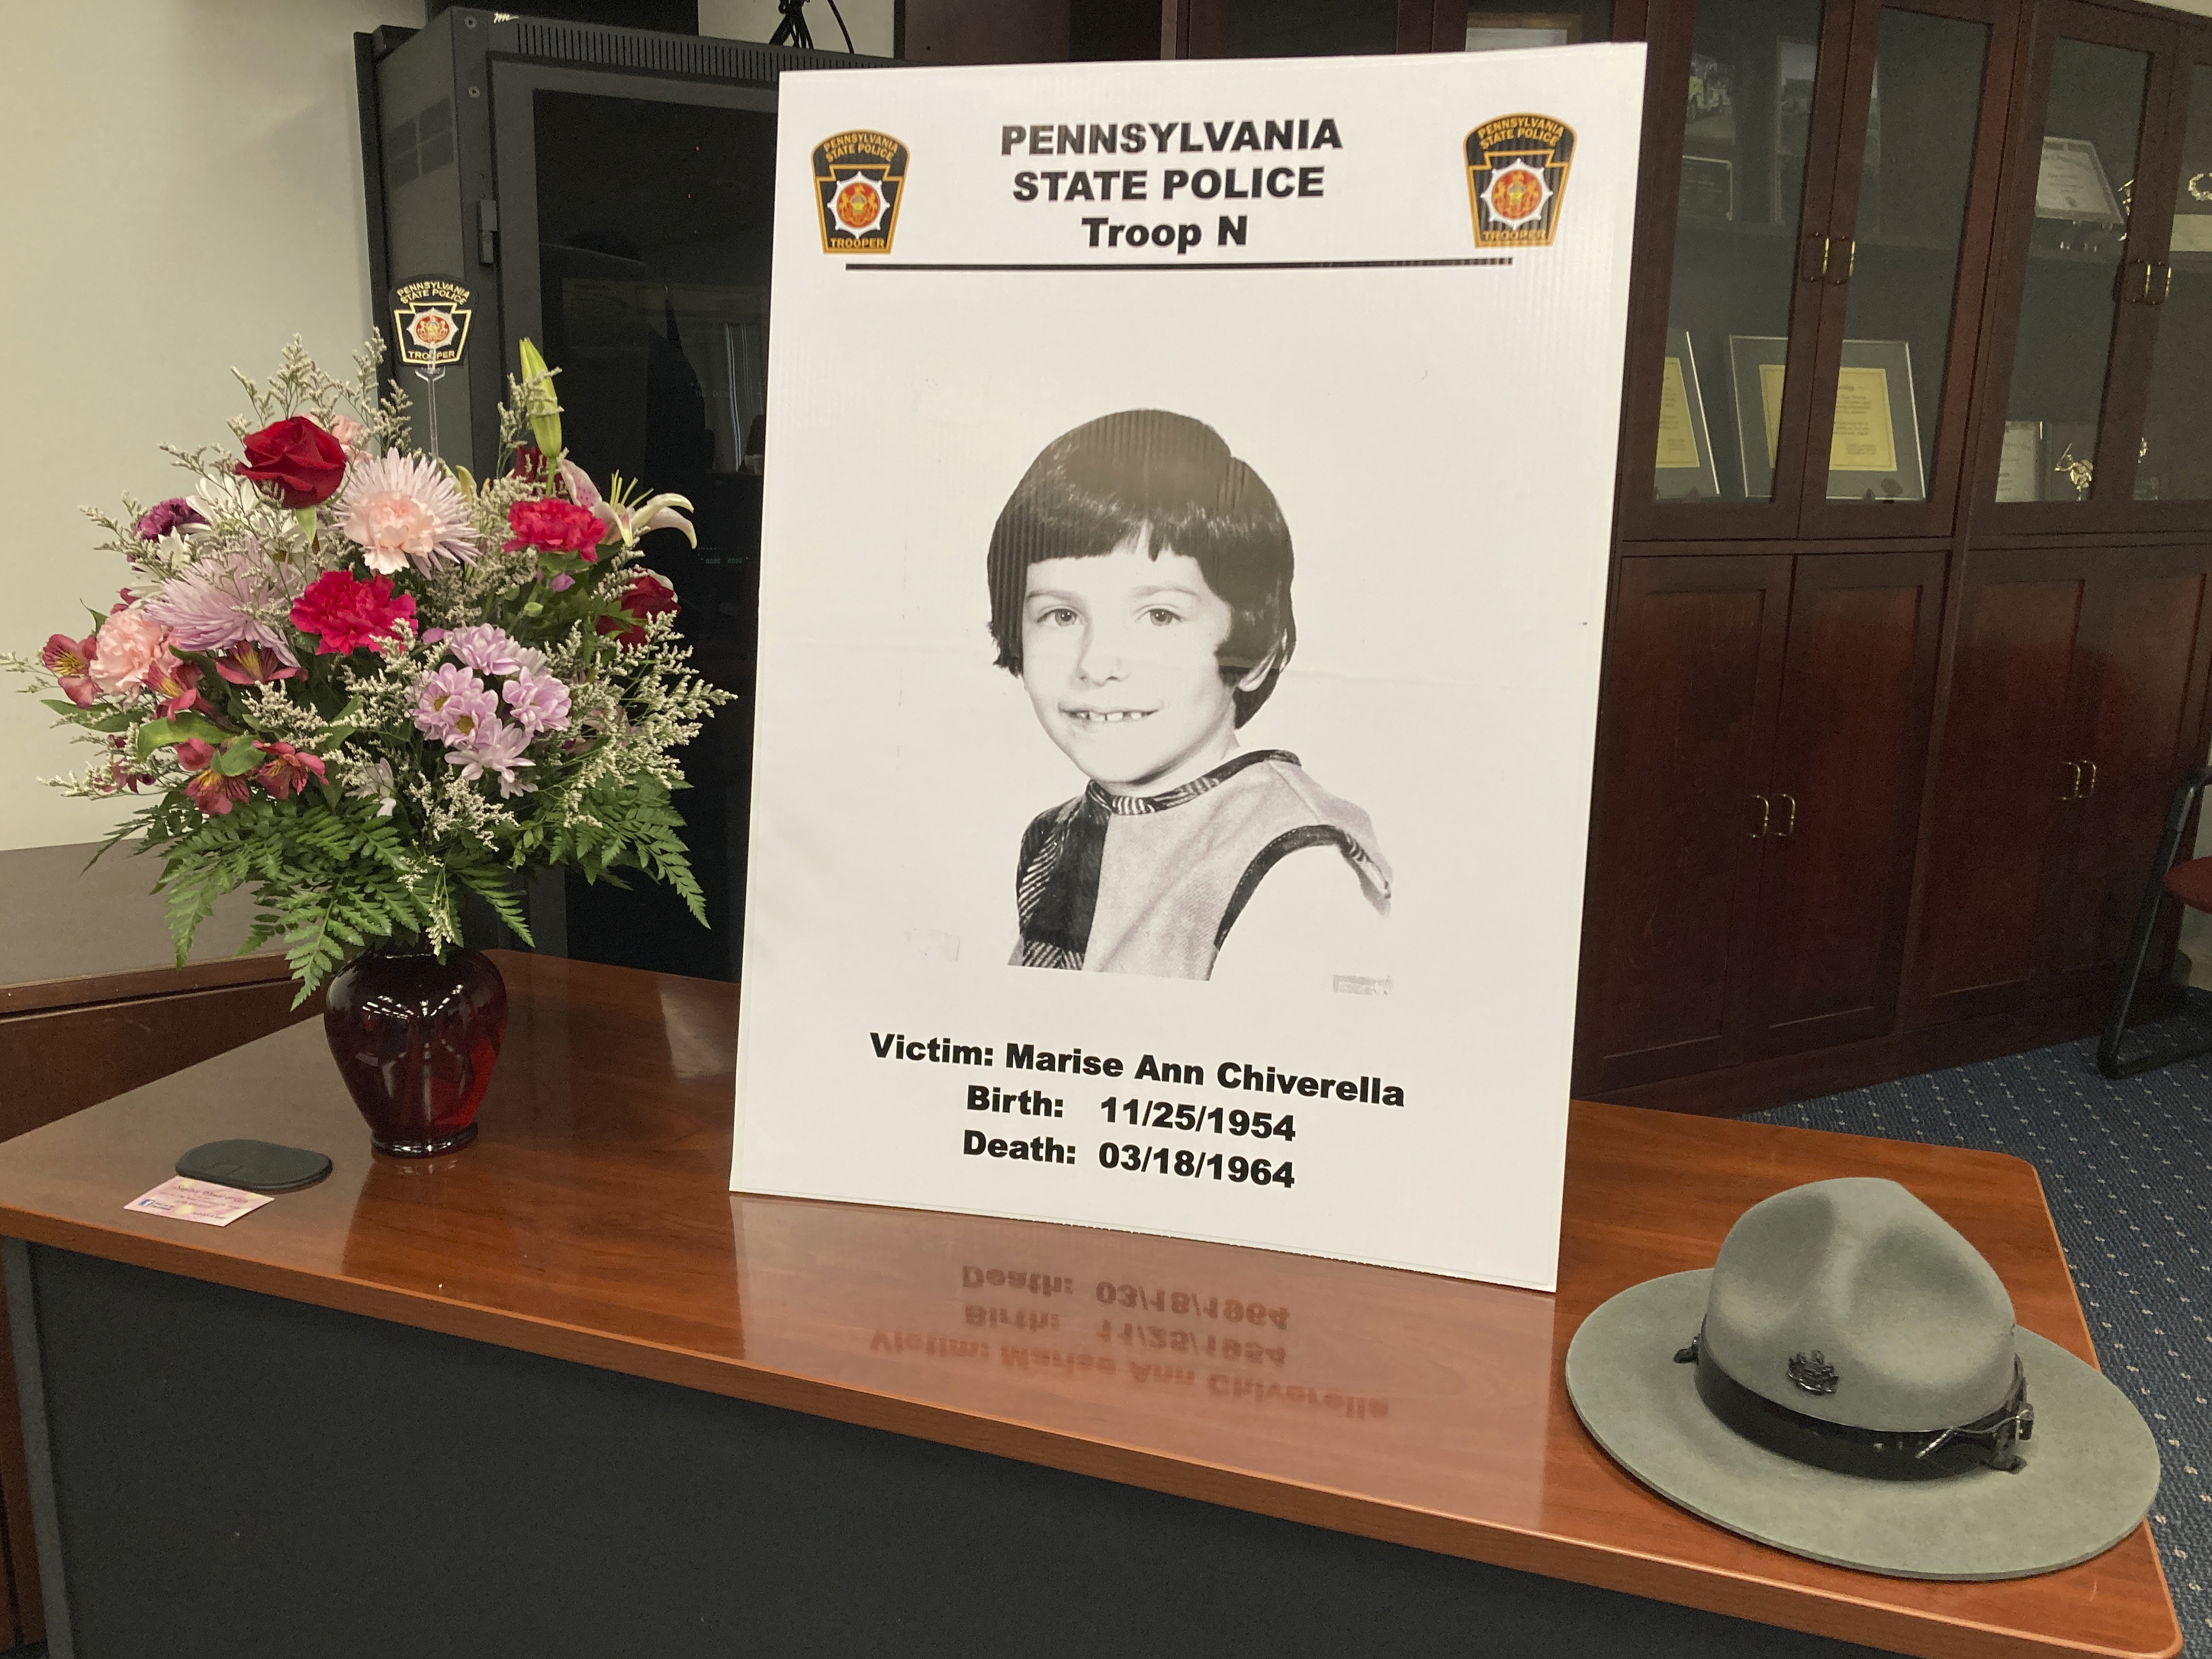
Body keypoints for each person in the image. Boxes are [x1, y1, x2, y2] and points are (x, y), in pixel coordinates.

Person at [987, 409, 1391, 985]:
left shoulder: (1293, 865)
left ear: (1254, 648)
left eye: (1158, 615)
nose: (1097, 662)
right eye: (1061, 614)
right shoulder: (1054, 839)